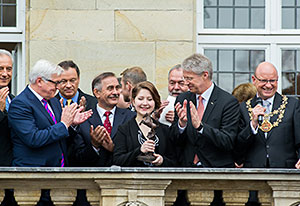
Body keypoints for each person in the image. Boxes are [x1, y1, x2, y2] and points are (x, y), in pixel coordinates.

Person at [8, 59, 92, 206]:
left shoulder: (52, 101)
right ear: (40, 81)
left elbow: (60, 136)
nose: (58, 87)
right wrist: (64, 124)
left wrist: (71, 125)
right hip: (33, 179)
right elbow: (33, 138)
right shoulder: (21, 104)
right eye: (56, 83)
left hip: (57, 176)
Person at [172, 53, 240, 167]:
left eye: (190, 78)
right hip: (186, 170)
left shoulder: (228, 102)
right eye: (185, 78)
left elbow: (227, 141)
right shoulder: (183, 99)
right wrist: (181, 125)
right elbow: (174, 140)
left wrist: (201, 127)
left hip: (215, 171)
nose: (186, 82)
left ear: (205, 75)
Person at [236, 62, 300, 168]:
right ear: (254, 80)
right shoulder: (243, 108)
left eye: (272, 81)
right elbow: (237, 148)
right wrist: (253, 125)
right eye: (264, 80)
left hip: (284, 170)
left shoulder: (292, 105)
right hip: (254, 172)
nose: (268, 85)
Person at [69, 72, 135, 167]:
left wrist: (114, 149)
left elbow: (135, 152)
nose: (116, 92)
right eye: (110, 88)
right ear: (97, 93)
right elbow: (76, 158)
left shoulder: (131, 117)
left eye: (117, 87)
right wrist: (94, 146)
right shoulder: (83, 119)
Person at [113, 81, 177, 167]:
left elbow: (175, 161)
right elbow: (117, 160)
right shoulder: (124, 129)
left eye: (150, 99)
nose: (145, 103)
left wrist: (162, 161)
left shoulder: (165, 130)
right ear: (133, 102)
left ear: (155, 102)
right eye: (140, 99)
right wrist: (139, 151)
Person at [0, 49, 17, 206]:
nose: (5, 73)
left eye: (9, 69)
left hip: (15, 175)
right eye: (0, 68)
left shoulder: (14, 99)